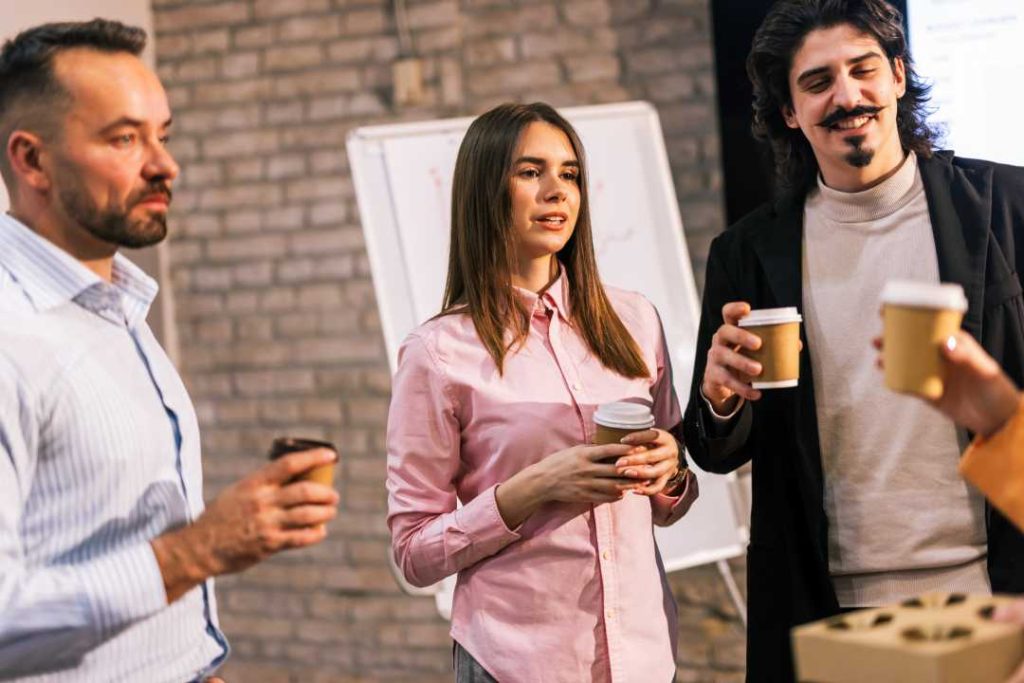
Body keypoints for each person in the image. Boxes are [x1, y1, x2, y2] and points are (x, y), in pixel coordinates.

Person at [679, 0, 1024, 679]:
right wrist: (719, 401)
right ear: (789, 112)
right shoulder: (748, 251)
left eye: (863, 70)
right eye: (816, 83)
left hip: (992, 593)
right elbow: (714, 447)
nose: (846, 96)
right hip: (833, 607)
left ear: (898, 75)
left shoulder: (1007, 209)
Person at [0, 19, 339, 681]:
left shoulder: (116, 302)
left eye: (163, 134)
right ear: (31, 160)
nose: (164, 164)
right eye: (124, 138)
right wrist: (201, 549)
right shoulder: (10, 336)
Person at [386, 102, 698, 683]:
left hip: (645, 658)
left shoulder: (634, 320)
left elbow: (671, 499)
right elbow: (412, 553)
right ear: (487, 190)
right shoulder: (437, 353)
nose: (557, 191)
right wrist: (531, 489)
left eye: (570, 174)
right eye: (531, 172)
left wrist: (670, 470)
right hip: (518, 664)